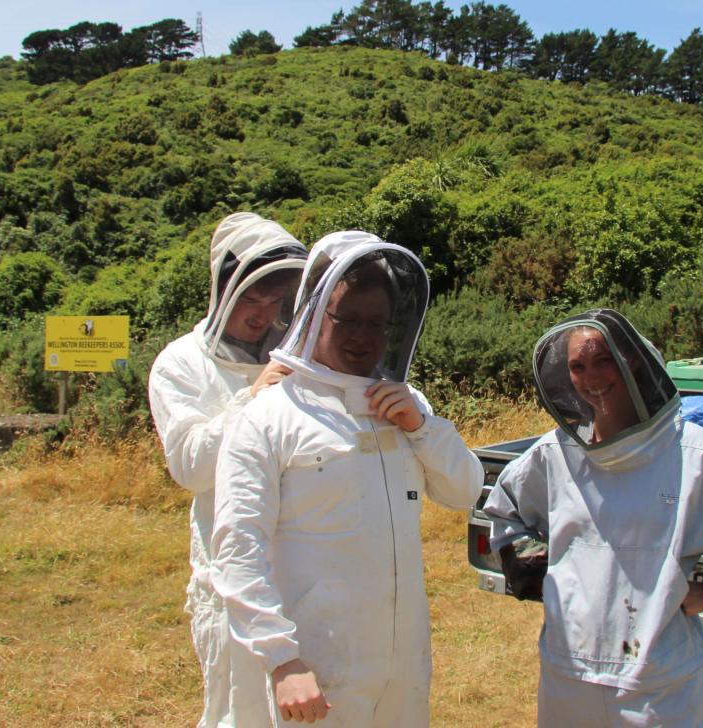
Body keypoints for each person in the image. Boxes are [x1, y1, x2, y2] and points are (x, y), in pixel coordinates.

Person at [211, 231, 484, 727]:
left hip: (402, 665)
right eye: (348, 320)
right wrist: (282, 659)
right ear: (314, 315)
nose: (363, 336)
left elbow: (465, 490)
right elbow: (237, 546)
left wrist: (424, 430)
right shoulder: (269, 414)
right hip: (316, 668)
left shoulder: (404, 402)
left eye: (377, 323)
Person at [484, 309, 703, 728]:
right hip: (568, 675)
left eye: (603, 361)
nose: (592, 378)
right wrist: (560, 581)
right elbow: (506, 513)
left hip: (659, 684)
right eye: (577, 367)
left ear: (632, 359)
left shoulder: (692, 453)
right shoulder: (554, 454)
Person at [149, 213, 307, 728]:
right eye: (250, 301)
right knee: (237, 715)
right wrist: (253, 396)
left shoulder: (297, 357)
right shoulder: (180, 363)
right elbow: (191, 466)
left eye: (274, 303)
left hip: (306, 575)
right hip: (229, 582)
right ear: (221, 290)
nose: (262, 316)